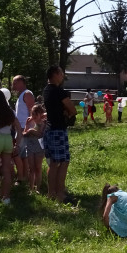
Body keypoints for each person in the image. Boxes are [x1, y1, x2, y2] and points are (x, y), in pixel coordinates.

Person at [42, 65, 78, 203]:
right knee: (63, 162)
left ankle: (51, 193)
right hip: (58, 131)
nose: (62, 76)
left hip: (49, 130)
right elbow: (73, 109)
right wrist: (67, 113)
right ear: (55, 74)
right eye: (61, 73)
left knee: (53, 163)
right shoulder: (59, 91)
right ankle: (60, 194)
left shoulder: (46, 90)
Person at [11, 76, 36, 183]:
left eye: (15, 83)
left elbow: (32, 112)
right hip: (20, 129)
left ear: (21, 82)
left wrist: (27, 128)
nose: (13, 86)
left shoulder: (27, 94)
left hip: (24, 130)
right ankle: (24, 176)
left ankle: (23, 177)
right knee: (22, 155)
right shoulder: (21, 95)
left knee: (20, 154)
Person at [21, 103, 47, 192]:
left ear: (41, 114)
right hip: (30, 147)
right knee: (31, 168)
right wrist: (27, 126)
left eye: (36, 114)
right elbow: (24, 134)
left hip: (39, 148)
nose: (34, 116)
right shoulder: (30, 122)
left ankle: (38, 188)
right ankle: (31, 188)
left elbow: (40, 134)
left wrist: (31, 131)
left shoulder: (43, 123)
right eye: (33, 114)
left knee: (38, 168)